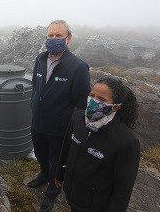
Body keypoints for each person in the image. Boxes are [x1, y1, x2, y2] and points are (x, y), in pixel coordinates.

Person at [29, 20, 91, 211]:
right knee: (41, 154)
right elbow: (35, 87)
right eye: (50, 35)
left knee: (57, 162)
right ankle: (43, 175)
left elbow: (81, 103)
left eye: (58, 36)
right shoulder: (40, 59)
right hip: (37, 123)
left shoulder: (78, 67)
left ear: (68, 39)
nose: (53, 39)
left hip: (60, 127)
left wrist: (79, 129)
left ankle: (52, 193)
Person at [55, 77, 140, 211]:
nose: (94, 101)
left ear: (116, 107)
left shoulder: (127, 141)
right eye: (92, 95)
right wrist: (59, 174)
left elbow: (123, 189)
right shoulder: (78, 118)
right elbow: (66, 149)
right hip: (73, 195)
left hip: (95, 206)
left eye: (101, 99)